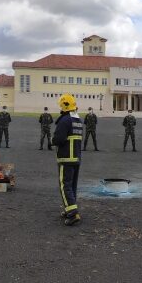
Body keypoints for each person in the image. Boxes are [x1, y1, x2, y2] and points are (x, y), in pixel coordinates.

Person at [52, 94, 83, 227]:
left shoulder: (64, 120)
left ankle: (72, 213)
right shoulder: (77, 120)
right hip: (76, 157)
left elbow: (59, 139)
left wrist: (52, 141)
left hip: (66, 157)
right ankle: (70, 207)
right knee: (72, 185)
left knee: (65, 185)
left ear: (64, 106)